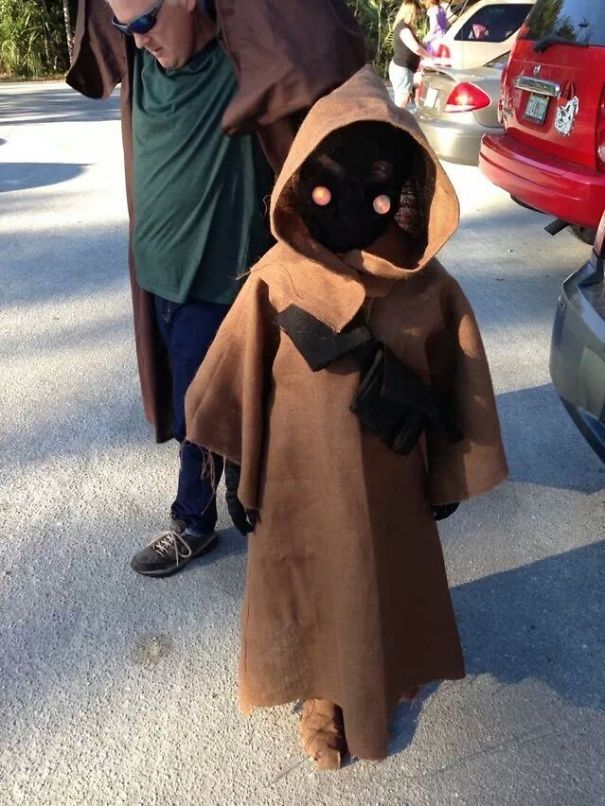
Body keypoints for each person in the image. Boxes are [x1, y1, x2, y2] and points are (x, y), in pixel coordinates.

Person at [185, 66, 508, 768]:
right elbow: (232, 381)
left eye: (378, 186)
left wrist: (447, 476)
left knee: (382, 577)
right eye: (330, 183)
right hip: (297, 484)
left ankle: (382, 676)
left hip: (391, 484)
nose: (352, 204)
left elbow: (463, 388)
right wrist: (237, 465)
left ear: (407, 188)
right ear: (302, 181)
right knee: (312, 583)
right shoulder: (277, 280)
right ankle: (326, 694)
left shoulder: (429, 289)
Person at [66, 0, 365, 577]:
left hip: (222, 285)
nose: (137, 38)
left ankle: (195, 522)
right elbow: (102, 45)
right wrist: (134, 26)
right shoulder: (142, 61)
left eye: (145, 23)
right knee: (193, 404)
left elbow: (327, 36)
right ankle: (233, 488)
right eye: (123, 26)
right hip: (158, 281)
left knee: (208, 412)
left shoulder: (244, 59)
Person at [389, 0, 432, 108]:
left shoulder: (405, 28)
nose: (417, 17)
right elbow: (416, 48)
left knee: (404, 97)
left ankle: (398, 120)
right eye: (416, 14)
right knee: (402, 101)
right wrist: (429, 57)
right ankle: (395, 122)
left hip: (406, 69)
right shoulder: (403, 28)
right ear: (411, 13)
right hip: (402, 69)